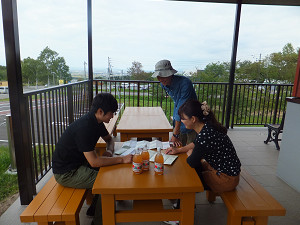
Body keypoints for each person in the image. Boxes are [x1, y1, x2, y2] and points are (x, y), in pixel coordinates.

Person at [52, 93, 132, 225]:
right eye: (111, 113)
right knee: (106, 182)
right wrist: (122, 159)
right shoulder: (84, 127)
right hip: (67, 173)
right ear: (100, 111)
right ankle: (100, 221)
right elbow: (94, 162)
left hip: (79, 163)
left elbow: (109, 140)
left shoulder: (96, 121)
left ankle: (95, 208)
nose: (112, 116)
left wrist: (109, 151)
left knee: (109, 171)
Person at [163, 100, 241, 225]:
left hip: (225, 178)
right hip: (224, 169)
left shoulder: (206, 136)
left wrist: (191, 155)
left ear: (193, 119)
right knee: (188, 171)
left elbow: (192, 162)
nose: (181, 121)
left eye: (183, 118)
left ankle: (181, 215)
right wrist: (179, 150)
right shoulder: (206, 127)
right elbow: (196, 144)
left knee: (186, 179)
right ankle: (186, 205)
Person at [152, 59, 198, 147]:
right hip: (180, 118)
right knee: (177, 147)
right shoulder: (163, 84)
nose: (161, 79)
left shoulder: (185, 83)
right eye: (159, 77)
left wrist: (175, 134)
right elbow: (177, 105)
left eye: (164, 76)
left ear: (171, 74)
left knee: (191, 149)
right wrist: (176, 133)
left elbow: (181, 108)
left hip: (192, 118)